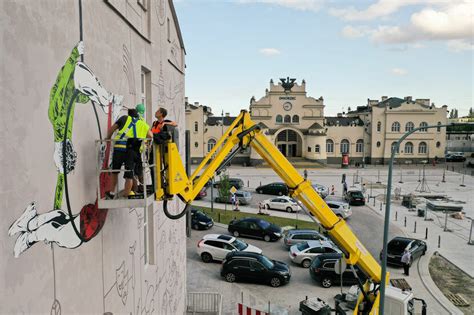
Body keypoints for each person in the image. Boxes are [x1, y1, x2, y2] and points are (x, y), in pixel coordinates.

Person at [106, 108, 153, 198]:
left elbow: (112, 129)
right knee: (131, 172)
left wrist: (107, 139)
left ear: (129, 114)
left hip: (120, 148)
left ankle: (111, 193)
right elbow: (150, 135)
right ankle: (134, 191)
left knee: (115, 171)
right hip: (133, 151)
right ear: (138, 116)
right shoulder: (142, 124)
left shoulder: (124, 118)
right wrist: (146, 144)